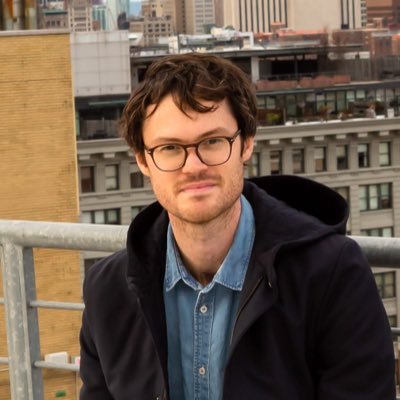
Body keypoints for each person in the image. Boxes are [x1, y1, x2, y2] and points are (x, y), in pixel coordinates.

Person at [79, 53, 396, 400]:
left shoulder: (330, 274)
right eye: (170, 148)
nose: (193, 166)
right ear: (143, 159)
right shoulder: (107, 291)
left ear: (246, 143)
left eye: (213, 141)